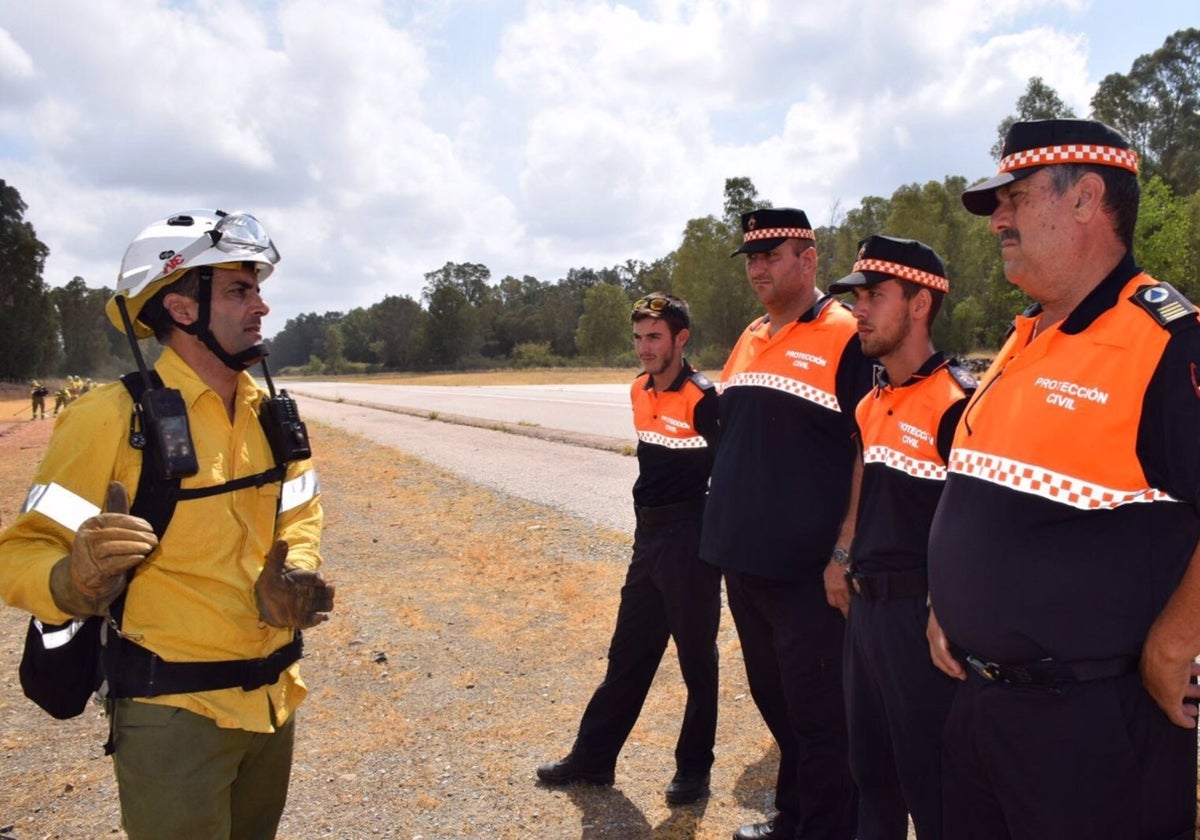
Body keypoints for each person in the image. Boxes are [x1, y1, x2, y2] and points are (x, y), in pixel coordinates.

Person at [0, 209, 334, 839]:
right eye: (240, 290)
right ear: (182, 309)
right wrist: (70, 582)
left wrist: (299, 566)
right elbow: (19, 552)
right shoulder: (108, 418)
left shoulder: (271, 413)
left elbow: (300, 506)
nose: (261, 306)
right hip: (174, 713)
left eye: (259, 288)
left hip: (273, 701)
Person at [927, 119, 1200, 838]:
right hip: (980, 709)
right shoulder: (1025, 335)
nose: (999, 223)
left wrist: (1175, 644)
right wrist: (948, 601)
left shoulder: (1165, 343)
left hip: (1090, 730)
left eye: (1014, 198)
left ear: (1085, 199)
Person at [701, 208, 875, 840]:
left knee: (822, 715)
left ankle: (829, 829)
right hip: (742, 560)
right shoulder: (750, 334)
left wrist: (845, 549)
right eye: (751, 258)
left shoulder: (845, 333)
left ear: (808, 258)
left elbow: (867, 447)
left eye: (771, 255)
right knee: (780, 706)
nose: (757, 268)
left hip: (808, 571)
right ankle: (795, 817)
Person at [537, 292, 722, 805]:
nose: (644, 348)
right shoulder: (639, 389)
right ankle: (593, 760)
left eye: (654, 337)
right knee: (627, 654)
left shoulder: (705, 399)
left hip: (692, 541)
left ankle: (694, 770)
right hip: (649, 537)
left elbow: (729, 477)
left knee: (696, 662)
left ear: (680, 339)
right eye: (639, 337)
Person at [827, 236, 975, 839]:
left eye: (874, 296)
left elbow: (974, 521)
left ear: (920, 305)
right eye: (856, 297)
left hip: (921, 623)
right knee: (870, 774)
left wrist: (949, 606)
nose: (858, 310)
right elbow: (864, 475)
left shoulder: (959, 403)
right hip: (864, 613)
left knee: (934, 786)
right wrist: (842, 551)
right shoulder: (873, 397)